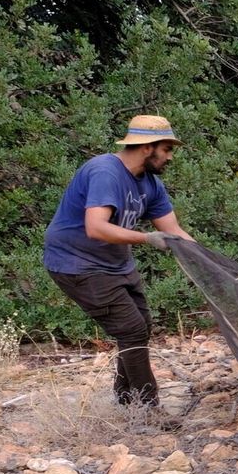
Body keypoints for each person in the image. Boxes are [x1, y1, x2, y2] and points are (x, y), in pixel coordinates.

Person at [43, 115, 194, 409]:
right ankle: (147, 407)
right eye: (166, 149)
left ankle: (126, 398)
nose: (170, 157)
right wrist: (147, 239)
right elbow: (96, 227)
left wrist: (209, 261)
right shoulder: (105, 172)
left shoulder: (151, 184)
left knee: (141, 326)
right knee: (132, 330)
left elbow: (173, 230)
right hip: (76, 264)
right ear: (148, 147)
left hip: (115, 264)